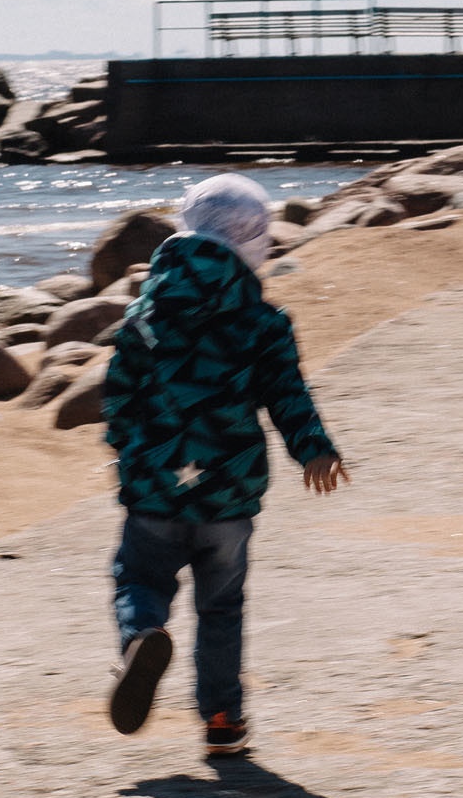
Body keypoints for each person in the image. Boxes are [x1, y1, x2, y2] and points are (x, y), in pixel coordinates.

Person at [103, 173, 350, 757]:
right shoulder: (263, 321)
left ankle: (143, 636)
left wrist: (127, 450)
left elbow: (118, 395)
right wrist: (313, 447)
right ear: (255, 240)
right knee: (221, 608)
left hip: (155, 487)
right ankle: (222, 719)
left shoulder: (146, 313)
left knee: (139, 579)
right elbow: (288, 394)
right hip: (229, 497)